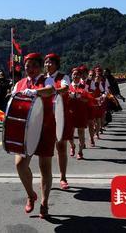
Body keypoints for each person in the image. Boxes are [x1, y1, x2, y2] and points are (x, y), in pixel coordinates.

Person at [12, 53, 57, 219]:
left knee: (45, 167)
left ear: (39, 67)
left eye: (33, 66)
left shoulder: (46, 80)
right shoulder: (19, 83)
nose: (30, 69)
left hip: (45, 127)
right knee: (20, 164)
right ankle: (31, 194)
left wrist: (34, 91)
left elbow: (50, 91)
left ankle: (44, 202)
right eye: (27, 66)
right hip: (25, 129)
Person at [43, 53, 72, 190]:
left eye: (50, 62)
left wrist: (53, 91)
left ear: (56, 64)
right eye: (46, 62)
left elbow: (66, 88)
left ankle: (63, 177)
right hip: (46, 118)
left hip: (60, 116)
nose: (47, 65)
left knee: (61, 147)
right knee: (45, 150)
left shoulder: (63, 77)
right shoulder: (42, 79)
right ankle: (46, 178)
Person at [69, 67, 92, 160]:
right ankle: (72, 145)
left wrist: (80, 98)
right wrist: (69, 96)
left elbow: (89, 99)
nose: (76, 76)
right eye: (74, 74)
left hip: (81, 112)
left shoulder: (84, 86)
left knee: (81, 132)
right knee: (70, 133)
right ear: (71, 76)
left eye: (78, 74)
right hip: (70, 112)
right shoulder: (67, 86)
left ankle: (80, 151)